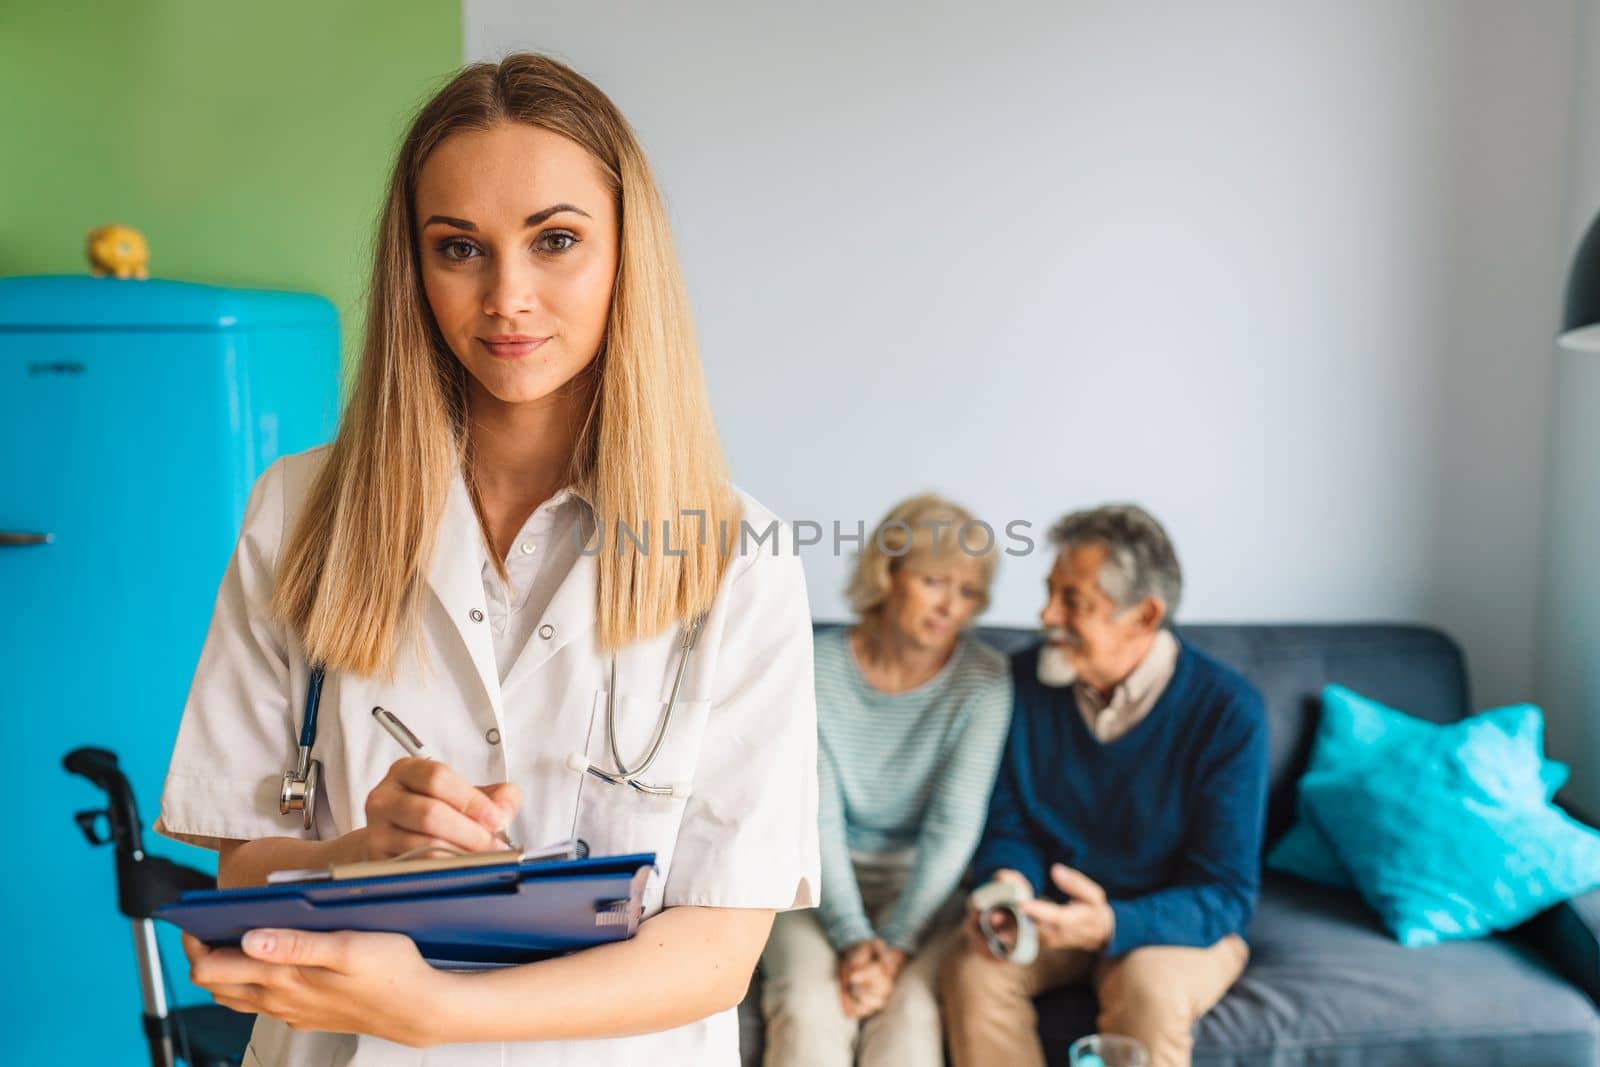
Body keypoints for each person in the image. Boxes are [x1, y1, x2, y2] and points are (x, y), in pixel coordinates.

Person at [155, 53, 819, 1066]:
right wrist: (358, 854)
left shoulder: (739, 556)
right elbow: (245, 868)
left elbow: (718, 949)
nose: (508, 295)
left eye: (555, 240)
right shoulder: (297, 509)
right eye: (459, 247)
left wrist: (437, 1014)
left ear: (625, 254)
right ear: (414, 268)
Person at [938, 504, 1267, 1067]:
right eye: (1050, 591)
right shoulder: (1024, 684)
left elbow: (1224, 891)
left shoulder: (1227, 710)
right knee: (974, 970)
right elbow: (1010, 822)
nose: (1046, 615)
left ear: (1144, 616)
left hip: (1169, 925)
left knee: (1149, 990)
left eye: (1074, 602)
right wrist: (1009, 887)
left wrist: (1114, 923)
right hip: (1050, 914)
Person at [759, 495, 1012, 1066]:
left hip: (927, 891)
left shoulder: (986, 681)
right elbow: (815, 816)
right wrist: (853, 938)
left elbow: (954, 826)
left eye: (968, 592)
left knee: (913, 1018)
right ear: (887, 571)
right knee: (806, 1008)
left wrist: (894, 947)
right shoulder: (813, 665)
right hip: (814, 880)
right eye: (933, 580)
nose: (950, 605)